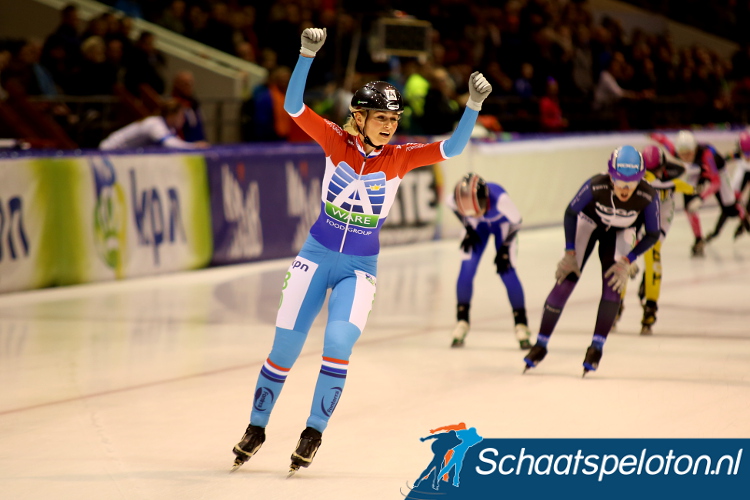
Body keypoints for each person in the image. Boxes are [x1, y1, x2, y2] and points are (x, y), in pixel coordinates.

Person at [231, 27, 492, 473]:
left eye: (394, 120)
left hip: (359, 268)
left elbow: (452, 148)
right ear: (360, 117)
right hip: (315, 257)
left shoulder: (401, 158)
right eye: (381, 119)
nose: (390, 127)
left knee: (337, 344)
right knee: (285, 350)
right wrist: (306, 54)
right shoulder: (335, 140)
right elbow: (294, 107)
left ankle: (313, 432)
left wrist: (472, 105)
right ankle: (256, 427)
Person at [523, 145, 660, 375]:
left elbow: (653, 234)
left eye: (632, 182)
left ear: (641, 179)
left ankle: (596, 348)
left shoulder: (649, 195)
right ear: (610, 175)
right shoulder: (596, 184)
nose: (625, 189)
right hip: (589, 224)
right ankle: (541, 344)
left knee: (613, 286)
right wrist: (569, 252)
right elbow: (570, 212)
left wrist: (629, 258)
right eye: (619, 180)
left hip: (620, 234)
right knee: (566, 280)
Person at [447, 173, 532, 350]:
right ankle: (462, 321)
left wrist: (504, 248)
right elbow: (450, 204)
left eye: (477, 210)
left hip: (504, 227)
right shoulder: (459, 200)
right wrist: (468, 226)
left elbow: (516, 222)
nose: (475, 213)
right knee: (466, 271)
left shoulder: (501, 200)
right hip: (478, 228)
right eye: (469, 211)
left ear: (486, 199)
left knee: (507, 271)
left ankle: (521, 324)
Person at [635, 145, 696, 335]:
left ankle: (650, 305)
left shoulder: (669, 173)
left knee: (652, 253)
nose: (652, 174)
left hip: (661, 214)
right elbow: (682, 184)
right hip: (642, 213)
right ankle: (631, 302)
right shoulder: (650, 176)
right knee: (624, 255)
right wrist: (696, 189)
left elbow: (680, 180)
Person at [650, 130, 722, 257]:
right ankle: (698, 238)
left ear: (695, 149)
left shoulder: (706, 155)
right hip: (696, 174)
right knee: (689, 208)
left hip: (714, 172)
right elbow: (665, 141)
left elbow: (716, 182)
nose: (686, 158)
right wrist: (652, 135)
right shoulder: (676, 152)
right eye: (682, 155)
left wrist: (701, 199)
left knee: (728, 204)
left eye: (689, 154)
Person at [99, 99, 209, 150]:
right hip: (108, 150)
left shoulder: (169, 128)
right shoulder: (155, 124)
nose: (184, 119)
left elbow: (176, 143)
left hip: (121, 154)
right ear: (172, 115)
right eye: (181, 115)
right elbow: (170, 144)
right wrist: (194, 146)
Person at [705, 131, 750, 240]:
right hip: (742, 176)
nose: (748, 157)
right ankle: (716, 232)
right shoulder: (737, 154)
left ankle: (743, 226)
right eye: (746, 154)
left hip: (745, 175)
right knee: (730, 205)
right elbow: (722, 160)